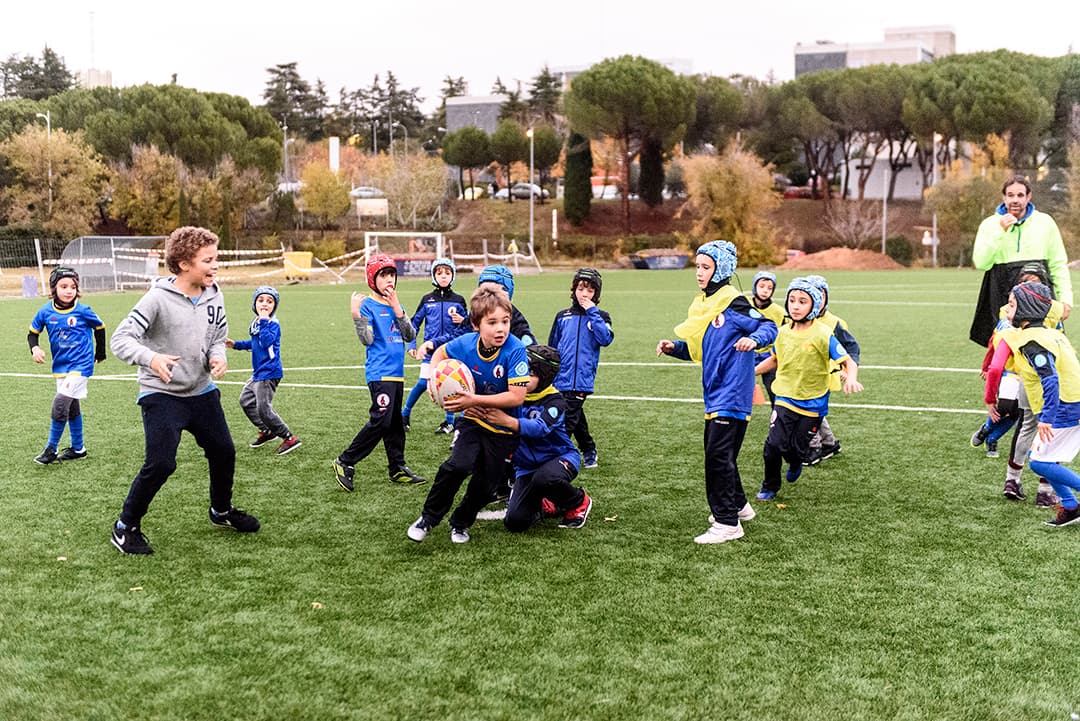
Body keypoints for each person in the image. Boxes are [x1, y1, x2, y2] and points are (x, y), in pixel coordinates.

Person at [109, 227, 259, 555]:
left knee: (224, 451)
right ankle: (125, 526)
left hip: (202, 391)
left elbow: (218, 334)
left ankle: (221, 510)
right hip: (161, 394)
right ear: (182, 264)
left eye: (215, 258)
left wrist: (217, 355)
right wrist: (152, 358)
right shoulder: (156, 299)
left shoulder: (214, 293)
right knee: (161, 463)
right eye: (208, 260)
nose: (214, 265)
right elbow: (120, 339)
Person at [657, 241, 777, 543]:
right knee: (721, 454)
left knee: (717, 457)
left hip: (732, 390)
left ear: (721, 269)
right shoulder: (704, 306)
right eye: (697, 266)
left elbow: (768, 326)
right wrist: (675, 348)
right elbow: (703, 350)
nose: (698, 273)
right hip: (715, 391)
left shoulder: (734, 304)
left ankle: (727, 523)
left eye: (705, 267)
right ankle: (739, 506)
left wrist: (754, 340)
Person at [407, 285, 529, 544]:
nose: (501, 329)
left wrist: (473, 399)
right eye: (492, 322)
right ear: (476, 324)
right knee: (458, 465)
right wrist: (434, 382)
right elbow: (440, 353)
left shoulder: (515, 350)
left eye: (505, 321)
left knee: (486, 484)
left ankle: (461, 522)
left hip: (502, 428)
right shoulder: (465, 344)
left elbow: (517, 396)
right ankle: (428, 518)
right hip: (472, 421)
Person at [754, 278, 863, 501]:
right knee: (773, 445)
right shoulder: (783, 332)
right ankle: (770, 485)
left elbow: (848, 360)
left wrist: (851, 377)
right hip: (785, 396)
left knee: (796, 449)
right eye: (792, 300)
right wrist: (749, 373)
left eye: (802, 301)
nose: (795, 305)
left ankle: (795, 461)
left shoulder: (823, 334)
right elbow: (774, 360)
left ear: (813, 306)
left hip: (813, 402)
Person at [469, 345, 593, 532]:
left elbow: (538, 429)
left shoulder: (555, 401)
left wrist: (508, 421)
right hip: (526, 468)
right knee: (516, 522)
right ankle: (550, 502)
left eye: (531, 374)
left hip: (560, 458)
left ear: (544, 377)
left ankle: (578, 501)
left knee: (545, 479)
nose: (523, 378)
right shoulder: (510, 395)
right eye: (520, 371)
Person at [332, 254, 425, 491]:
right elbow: (367, 339)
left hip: (397, 374)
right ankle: (345, 461)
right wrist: (356, 315)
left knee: (395, 424)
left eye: (391, 274)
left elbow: (410, 336)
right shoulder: (367, 305)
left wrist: (398, 309)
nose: (389, 279)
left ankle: (397, 467)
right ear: (372, 279)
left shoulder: (397, 306)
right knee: (381, 422)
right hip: (379, 373)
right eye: (383, 275)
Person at [991, 281, 1080, 526]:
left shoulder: (1033, 342)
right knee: (1042, 459)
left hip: (1065, 405)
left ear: (1026, 309)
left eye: (1011, 305)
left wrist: (1048, 418)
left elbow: (1050, 380)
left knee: (1040, 462)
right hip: (1070, 402)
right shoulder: (1049, 334)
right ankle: (1071, 506)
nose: (1006, 311)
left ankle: (1072, 502)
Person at [980, 273, 1064, 506]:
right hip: (1049, 387)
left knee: (1027, 429)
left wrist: (989, 399)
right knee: (1049, 433)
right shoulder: (1050, 326)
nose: (1008, 308)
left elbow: (996, 366)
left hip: (1024, 383)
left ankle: (1012, 481)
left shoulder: (1008, 329)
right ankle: (1045, 491)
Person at [970, 175, 1072, 347]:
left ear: (1028, 197)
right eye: (1010, 195)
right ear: (1004, 197)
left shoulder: (1045, 222)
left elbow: (1058, 264)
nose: (1015, 200)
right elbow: (981, 262)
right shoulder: (990, 225)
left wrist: (1066, 299)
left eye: (1020, 195)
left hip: (1039, 292)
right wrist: (1000, 231)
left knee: (1044, 346)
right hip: (1001, 293)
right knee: (1005, 349)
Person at [27, 266, 107, 464]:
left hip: (82, 364)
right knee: (71, 408)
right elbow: (32, 333)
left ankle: (51, 449)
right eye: (64, 286)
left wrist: (100, 353)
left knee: (60, 403)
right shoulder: (45, 311)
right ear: (54, 288)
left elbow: (100, 327)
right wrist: (35, 349)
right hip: (61, 365)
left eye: (73, 286)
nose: (69, 290)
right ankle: (79, 449)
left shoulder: (83, 310)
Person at [548, 268, 614, 469]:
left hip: (581, 379)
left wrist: (592, 312)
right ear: (574, 289)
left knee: (566, 421)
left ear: (597, 294)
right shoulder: (562, 316)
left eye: (590, 290)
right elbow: (552, 346)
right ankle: (589, 449)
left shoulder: (601, 316)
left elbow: (606, 339)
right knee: (575, 416)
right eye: (581, 288)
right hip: (561, 378)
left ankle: (556, 457)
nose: (584, 294)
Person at [227, 285, 300, 455]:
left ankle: (289, 437)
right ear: (254, 304)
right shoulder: (257, 322)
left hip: (269, 371)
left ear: (275, 306)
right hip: (259, 371)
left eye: (270, 301)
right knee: (245, 401)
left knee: (263, 408)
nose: (265, 304)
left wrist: (265, 319)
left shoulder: (272, 323)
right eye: (261, 300)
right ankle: (267, 431)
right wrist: (236, 345)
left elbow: (266, 342)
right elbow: (256, 343)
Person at [402, 258, 467, 434]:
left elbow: (467, 327)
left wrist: (462, 320)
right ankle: (404, 415)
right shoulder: (426, 300)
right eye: (439, 273)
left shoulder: (459, 300)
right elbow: (414, 324)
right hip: (430, 351)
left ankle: (449, 421)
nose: (443, 276)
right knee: (424, 382)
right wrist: (411, 344)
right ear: (433, 275)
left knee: (452, 385)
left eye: (447, 273)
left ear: (453, 276)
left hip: (452, 350)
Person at [802, 274, 861, 466]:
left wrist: (848, 370)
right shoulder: (799, 318)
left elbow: (851, 348)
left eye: (821, 294)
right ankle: (829, 443)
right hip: (805, 373)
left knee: (808, 410)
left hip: (824, 375)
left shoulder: (834, 322)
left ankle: (814, 447)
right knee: (815, 410)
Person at [748, 270, 785, 405]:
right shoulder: (744, 305)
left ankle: (778, 415)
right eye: (761, 286)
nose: (765, 291)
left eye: (770, 288)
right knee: (736, 387)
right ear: (754, 287)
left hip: (769, 356)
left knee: (774, 388)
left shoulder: (780, 312)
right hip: (746, 353)